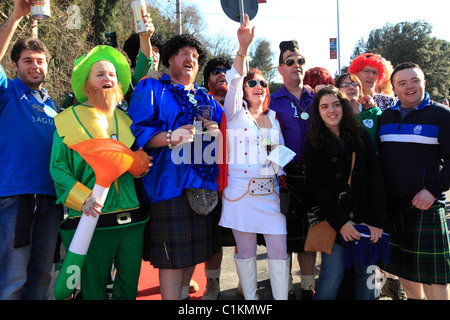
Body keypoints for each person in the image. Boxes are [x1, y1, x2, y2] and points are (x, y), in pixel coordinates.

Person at [49, 45, 151, 300]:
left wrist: (140, 165)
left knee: (128, 287)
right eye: (100, 74)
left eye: (112, 75)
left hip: (132, 219)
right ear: (87, 83)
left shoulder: (127, 121)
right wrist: (82, 198)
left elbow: (136, 167)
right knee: (93, 289)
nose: (107, 79)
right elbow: (58, 168)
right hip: (91, 219)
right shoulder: (66, 120)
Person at [128, 33, 223, 300]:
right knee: (172, 259)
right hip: (167, 185)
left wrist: (216, 131)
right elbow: (136, 131)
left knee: (192, 253)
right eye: (184, 53)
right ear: (170, 58)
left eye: (195, 55)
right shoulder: (152, 87)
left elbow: (227, 123)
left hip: (202, 185)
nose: (190, 58)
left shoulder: (205, 97)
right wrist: (171, 137)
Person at [218, 14, 289, 300]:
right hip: (239, 194)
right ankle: (250, 302)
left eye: (262, 82)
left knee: (280, 253)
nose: (258, 86)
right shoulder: (234, 114)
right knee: (245, 253)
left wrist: (277, 153)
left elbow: (279, 160)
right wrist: (244, 48)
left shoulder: (275, 117)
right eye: (252, 83)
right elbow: (233, 81)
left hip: (271, 194)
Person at [0, 0, 63, 300]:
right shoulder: (7, 91)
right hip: (14, 197)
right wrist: (15, 16)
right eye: (27, 60)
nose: (35, 66)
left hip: (51, 199)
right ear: (15, 65)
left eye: (39, 60)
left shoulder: (54, 106)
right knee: (13, 280)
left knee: (41, 278)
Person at [305, 86, 389, 300]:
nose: (331, 110)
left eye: (336, 104)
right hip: (334, 223)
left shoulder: (360, 134)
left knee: (368, 280)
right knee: (331, 278)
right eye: (324, 106)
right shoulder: (314, 143)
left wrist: (377, 220)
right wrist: (341, 222)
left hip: (367, 222)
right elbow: (316, 188)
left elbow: (376, 177)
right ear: (318, 111)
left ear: (343, 106)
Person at [377, 62, 450, 300]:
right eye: (402, 83)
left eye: (415, 80)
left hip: (426, 207)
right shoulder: (385, 117)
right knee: (405, 272)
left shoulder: (441, 115)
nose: (410, 86)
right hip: (393, 209)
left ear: (424, 83)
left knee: (434, 277)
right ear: (394, 89)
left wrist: (432, 191)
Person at [269, 40, 316, 299]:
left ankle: (307, 286)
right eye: (290, 61)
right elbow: (264, 139)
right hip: (286, 178)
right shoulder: (271, 101)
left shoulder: (318, 97)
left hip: (317, 176)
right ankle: (283, 287)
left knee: (310, 238)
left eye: (300, 60)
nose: (296, 65)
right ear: (280, 69)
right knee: (285, 238)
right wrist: (281, 166)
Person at [199, 55, 235, 300]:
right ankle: (213, 284)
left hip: (239, 182)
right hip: (210, 181)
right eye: (216, 71)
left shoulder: (241, 102)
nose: (221, 74)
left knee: (244, 237)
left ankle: (247, 284)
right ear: (207, 78)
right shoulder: (200, 103)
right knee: (212, 240)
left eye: (225, 70)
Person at [335, 73, 380, 148]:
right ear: (337, 91)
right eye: (345, 85)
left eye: (355, 84)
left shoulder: (373, 111)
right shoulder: (334, 115)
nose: (351, 87)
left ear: (360, 89)